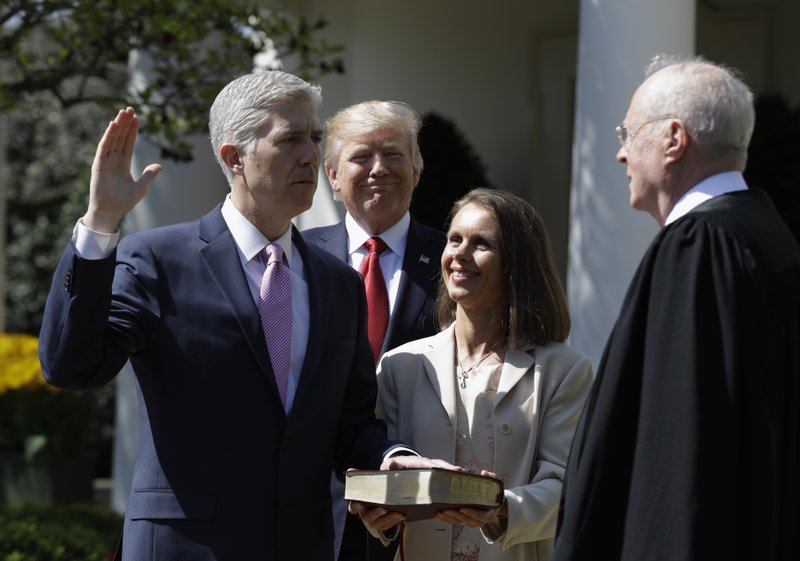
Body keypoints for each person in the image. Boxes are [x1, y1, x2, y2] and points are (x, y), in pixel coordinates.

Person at [38, 71, 445, 561]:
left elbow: (350, 421)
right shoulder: (158, 259)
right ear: (235, 158)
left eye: (315, 138)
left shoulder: (338, 283)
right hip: (185, 547)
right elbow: (71, 365)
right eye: (291, 139)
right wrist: (100, 225)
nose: (312, 155)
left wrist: (389, 459)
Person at [552, 55, 800, 561]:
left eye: (627, 132)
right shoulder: (764, 234)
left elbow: (681, 447)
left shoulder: (701, 246)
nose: (620, 154)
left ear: (673, 139)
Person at [352, 188, 594, 561]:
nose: (460, 254)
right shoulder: (401, 365)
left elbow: (569, 488)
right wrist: (378, 514)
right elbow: (387, 475)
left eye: (481, 243)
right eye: (454, 239)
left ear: (517, 264)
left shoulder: (565, 371)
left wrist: (501, 507)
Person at [303, 100, 446, 561]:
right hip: (313, 501)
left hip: (421, 503)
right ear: (332, 174)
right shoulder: (294, 259)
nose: (378, 169)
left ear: (417, 170)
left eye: (394, 155)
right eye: (362, 157)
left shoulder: (454, 262)